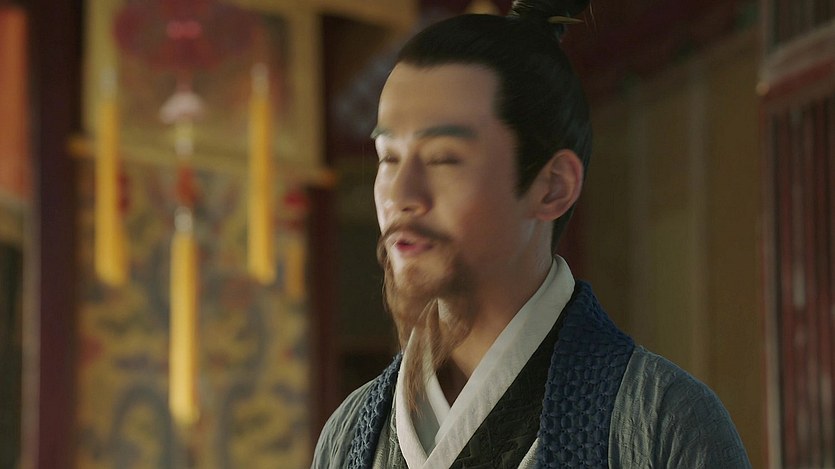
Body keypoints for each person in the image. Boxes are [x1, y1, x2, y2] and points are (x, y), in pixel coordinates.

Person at [313, 0, 752, 467]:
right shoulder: (348, 433)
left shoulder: (665, 421)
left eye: (443, 157)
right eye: (388, 157)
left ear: (552, 187)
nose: (401, 195)